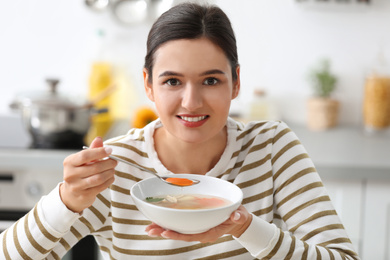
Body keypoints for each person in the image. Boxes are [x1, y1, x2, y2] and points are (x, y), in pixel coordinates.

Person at [0, 2, 360, 259]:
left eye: (211, 80)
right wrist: (65, 202)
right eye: (172, 81)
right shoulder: (116, 167)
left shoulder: (272, 149)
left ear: (236, 83)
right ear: (149, 85)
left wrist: (245, 228)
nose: (191, 102)